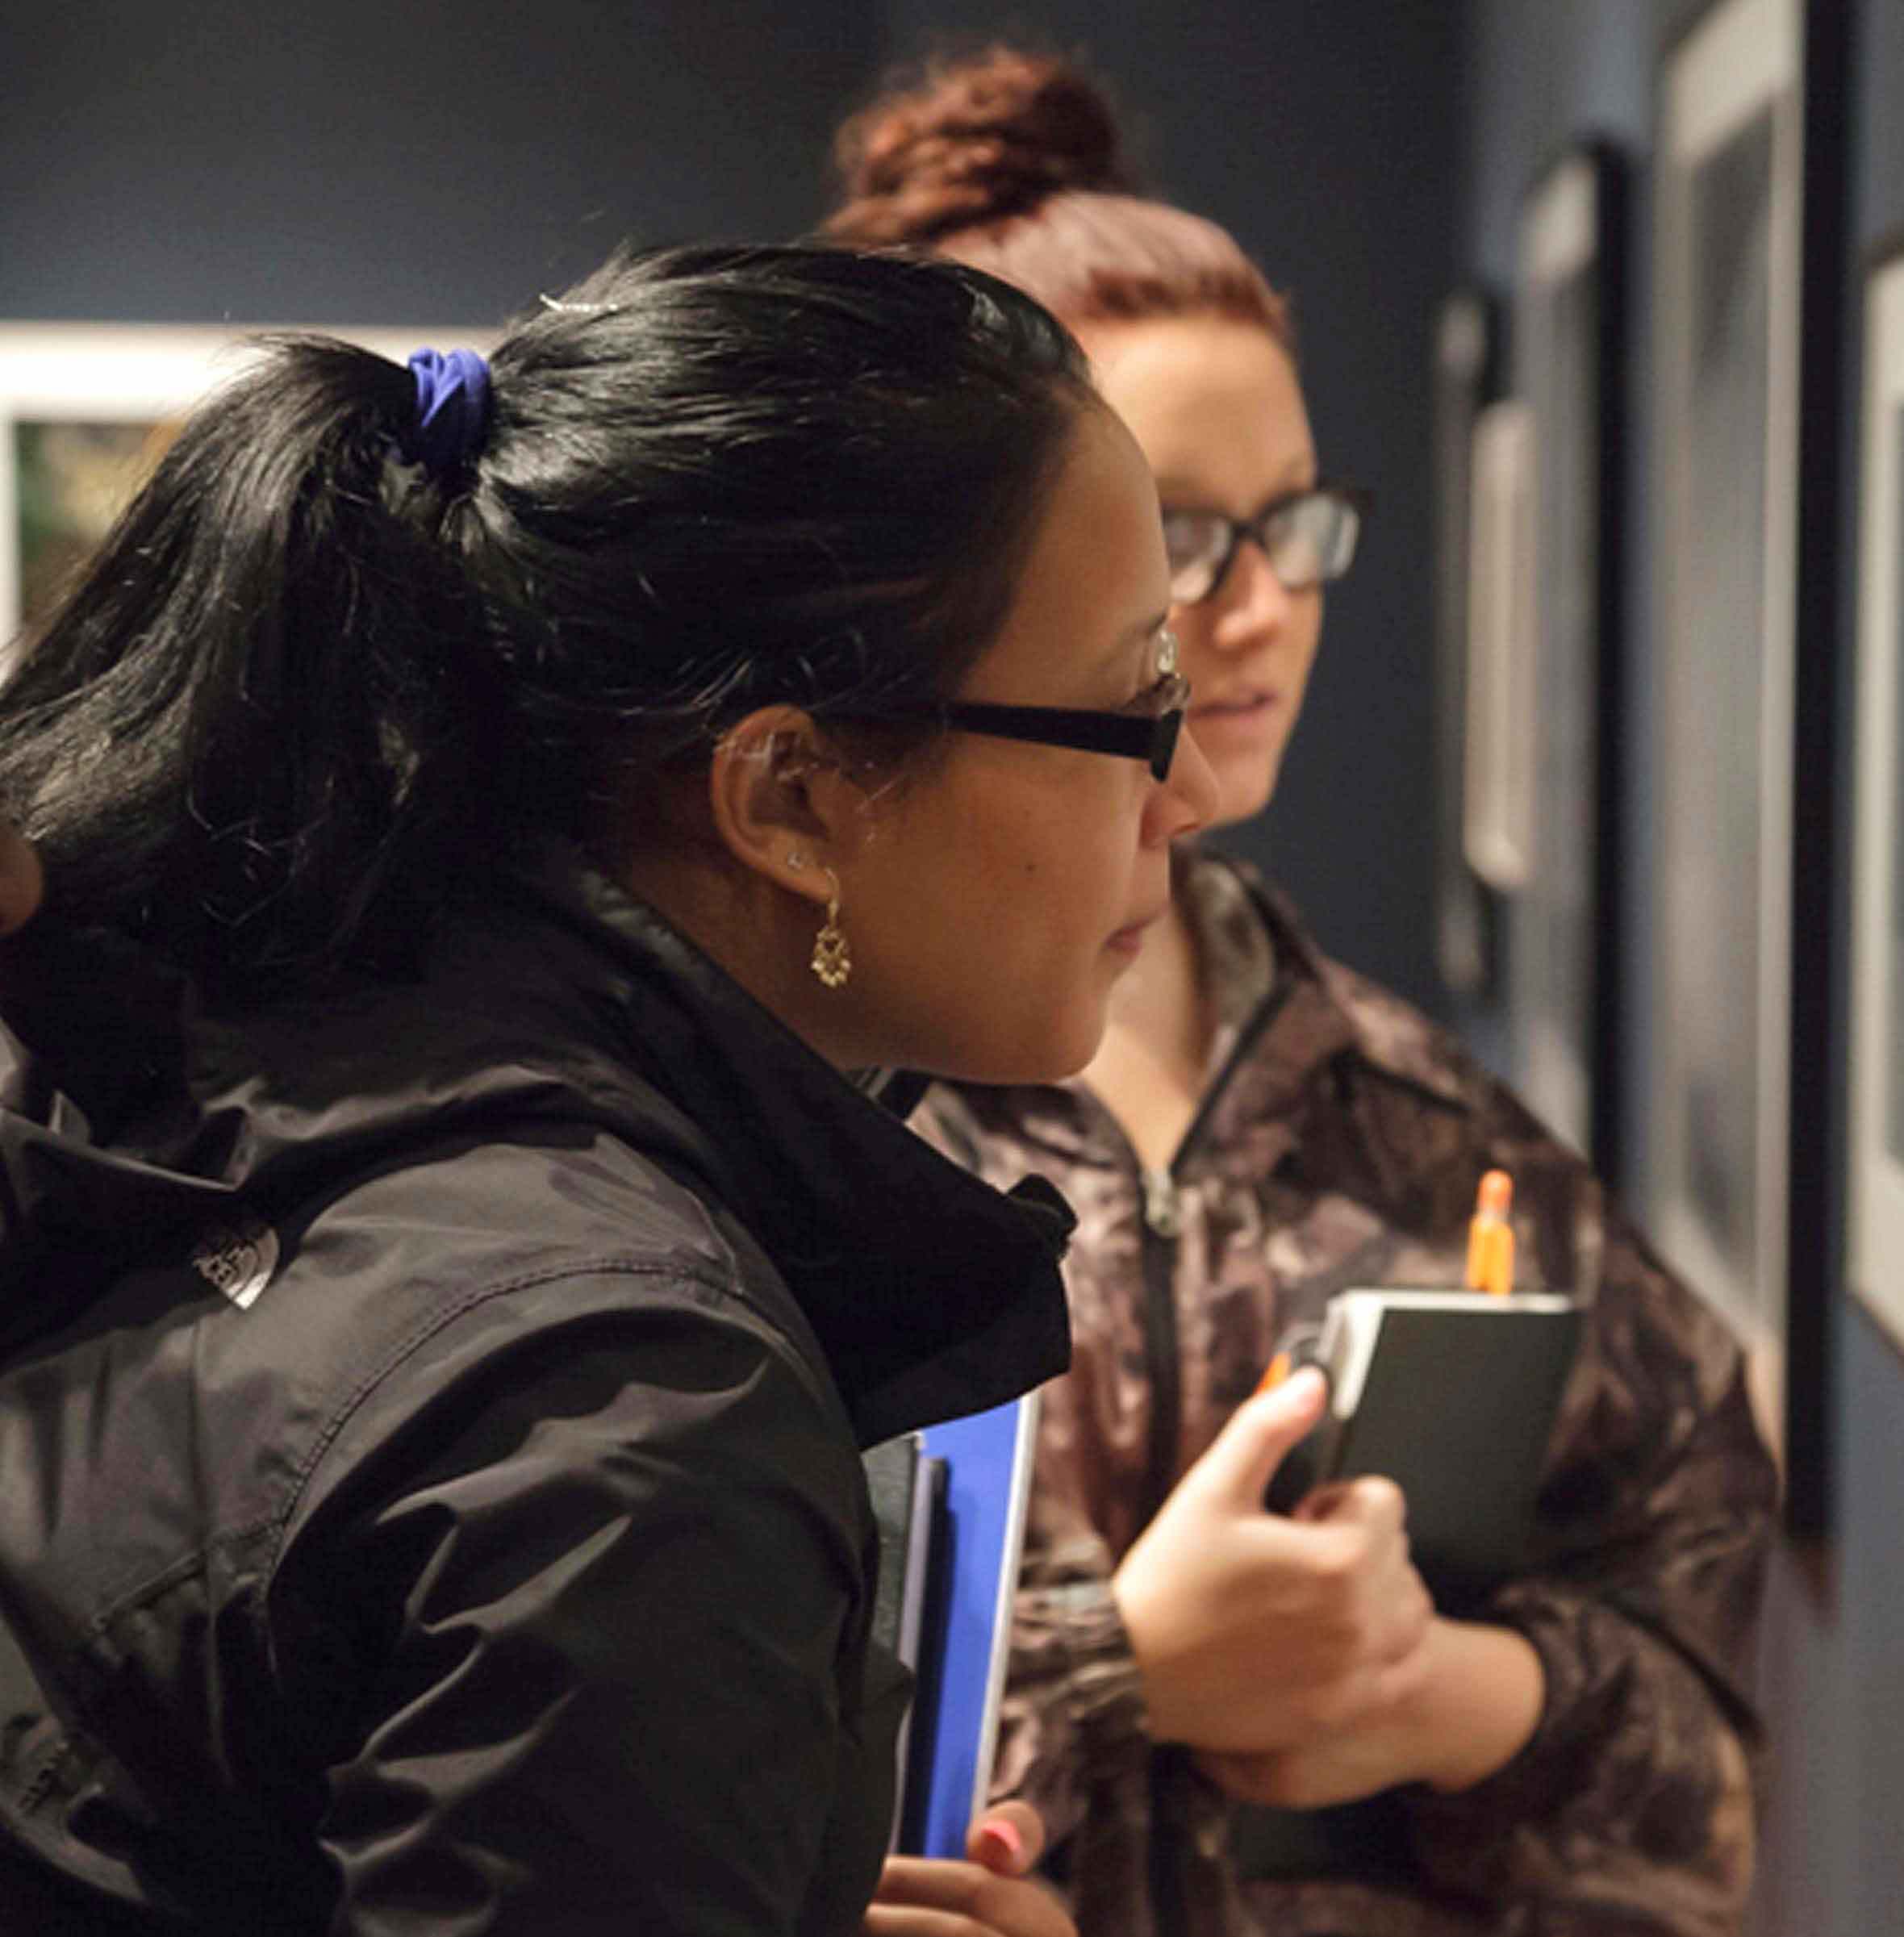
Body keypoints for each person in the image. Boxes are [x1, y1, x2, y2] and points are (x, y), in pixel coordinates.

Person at [0, 241, 1296, 1936]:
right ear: (795, 798)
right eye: (1134, 708)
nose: (1186, 788)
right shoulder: (622, 1418)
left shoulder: (259, 1087)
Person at [827, 49, 1778, 1937]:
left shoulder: (1404, 1102)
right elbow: (612, 1705)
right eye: (1182, 532)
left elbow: (1699, 1655)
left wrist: (1455, 1697)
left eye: (1299, 523)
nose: (1260, 606)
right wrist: (1120, 1666)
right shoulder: (813, 1095)